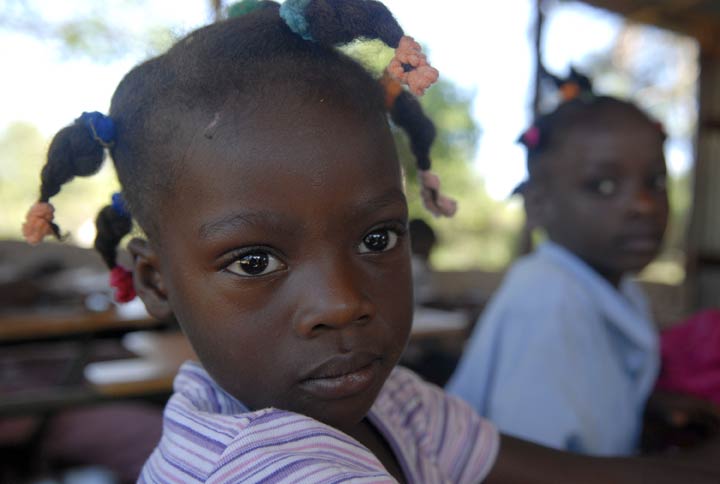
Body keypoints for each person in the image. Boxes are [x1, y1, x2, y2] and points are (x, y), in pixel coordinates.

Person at [22, 2, 719, 482]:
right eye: (255, 260)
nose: (341, 303)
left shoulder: (393, 402)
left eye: (377, 236)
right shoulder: (263, 466)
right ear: (154, 280)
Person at [447, 69, 672, 456]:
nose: (643, 205)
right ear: (538, 205)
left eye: (655, 182)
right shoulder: (548, 300)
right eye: (603, 185)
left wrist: (649, 409)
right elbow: (532, 467)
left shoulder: (616, 288)